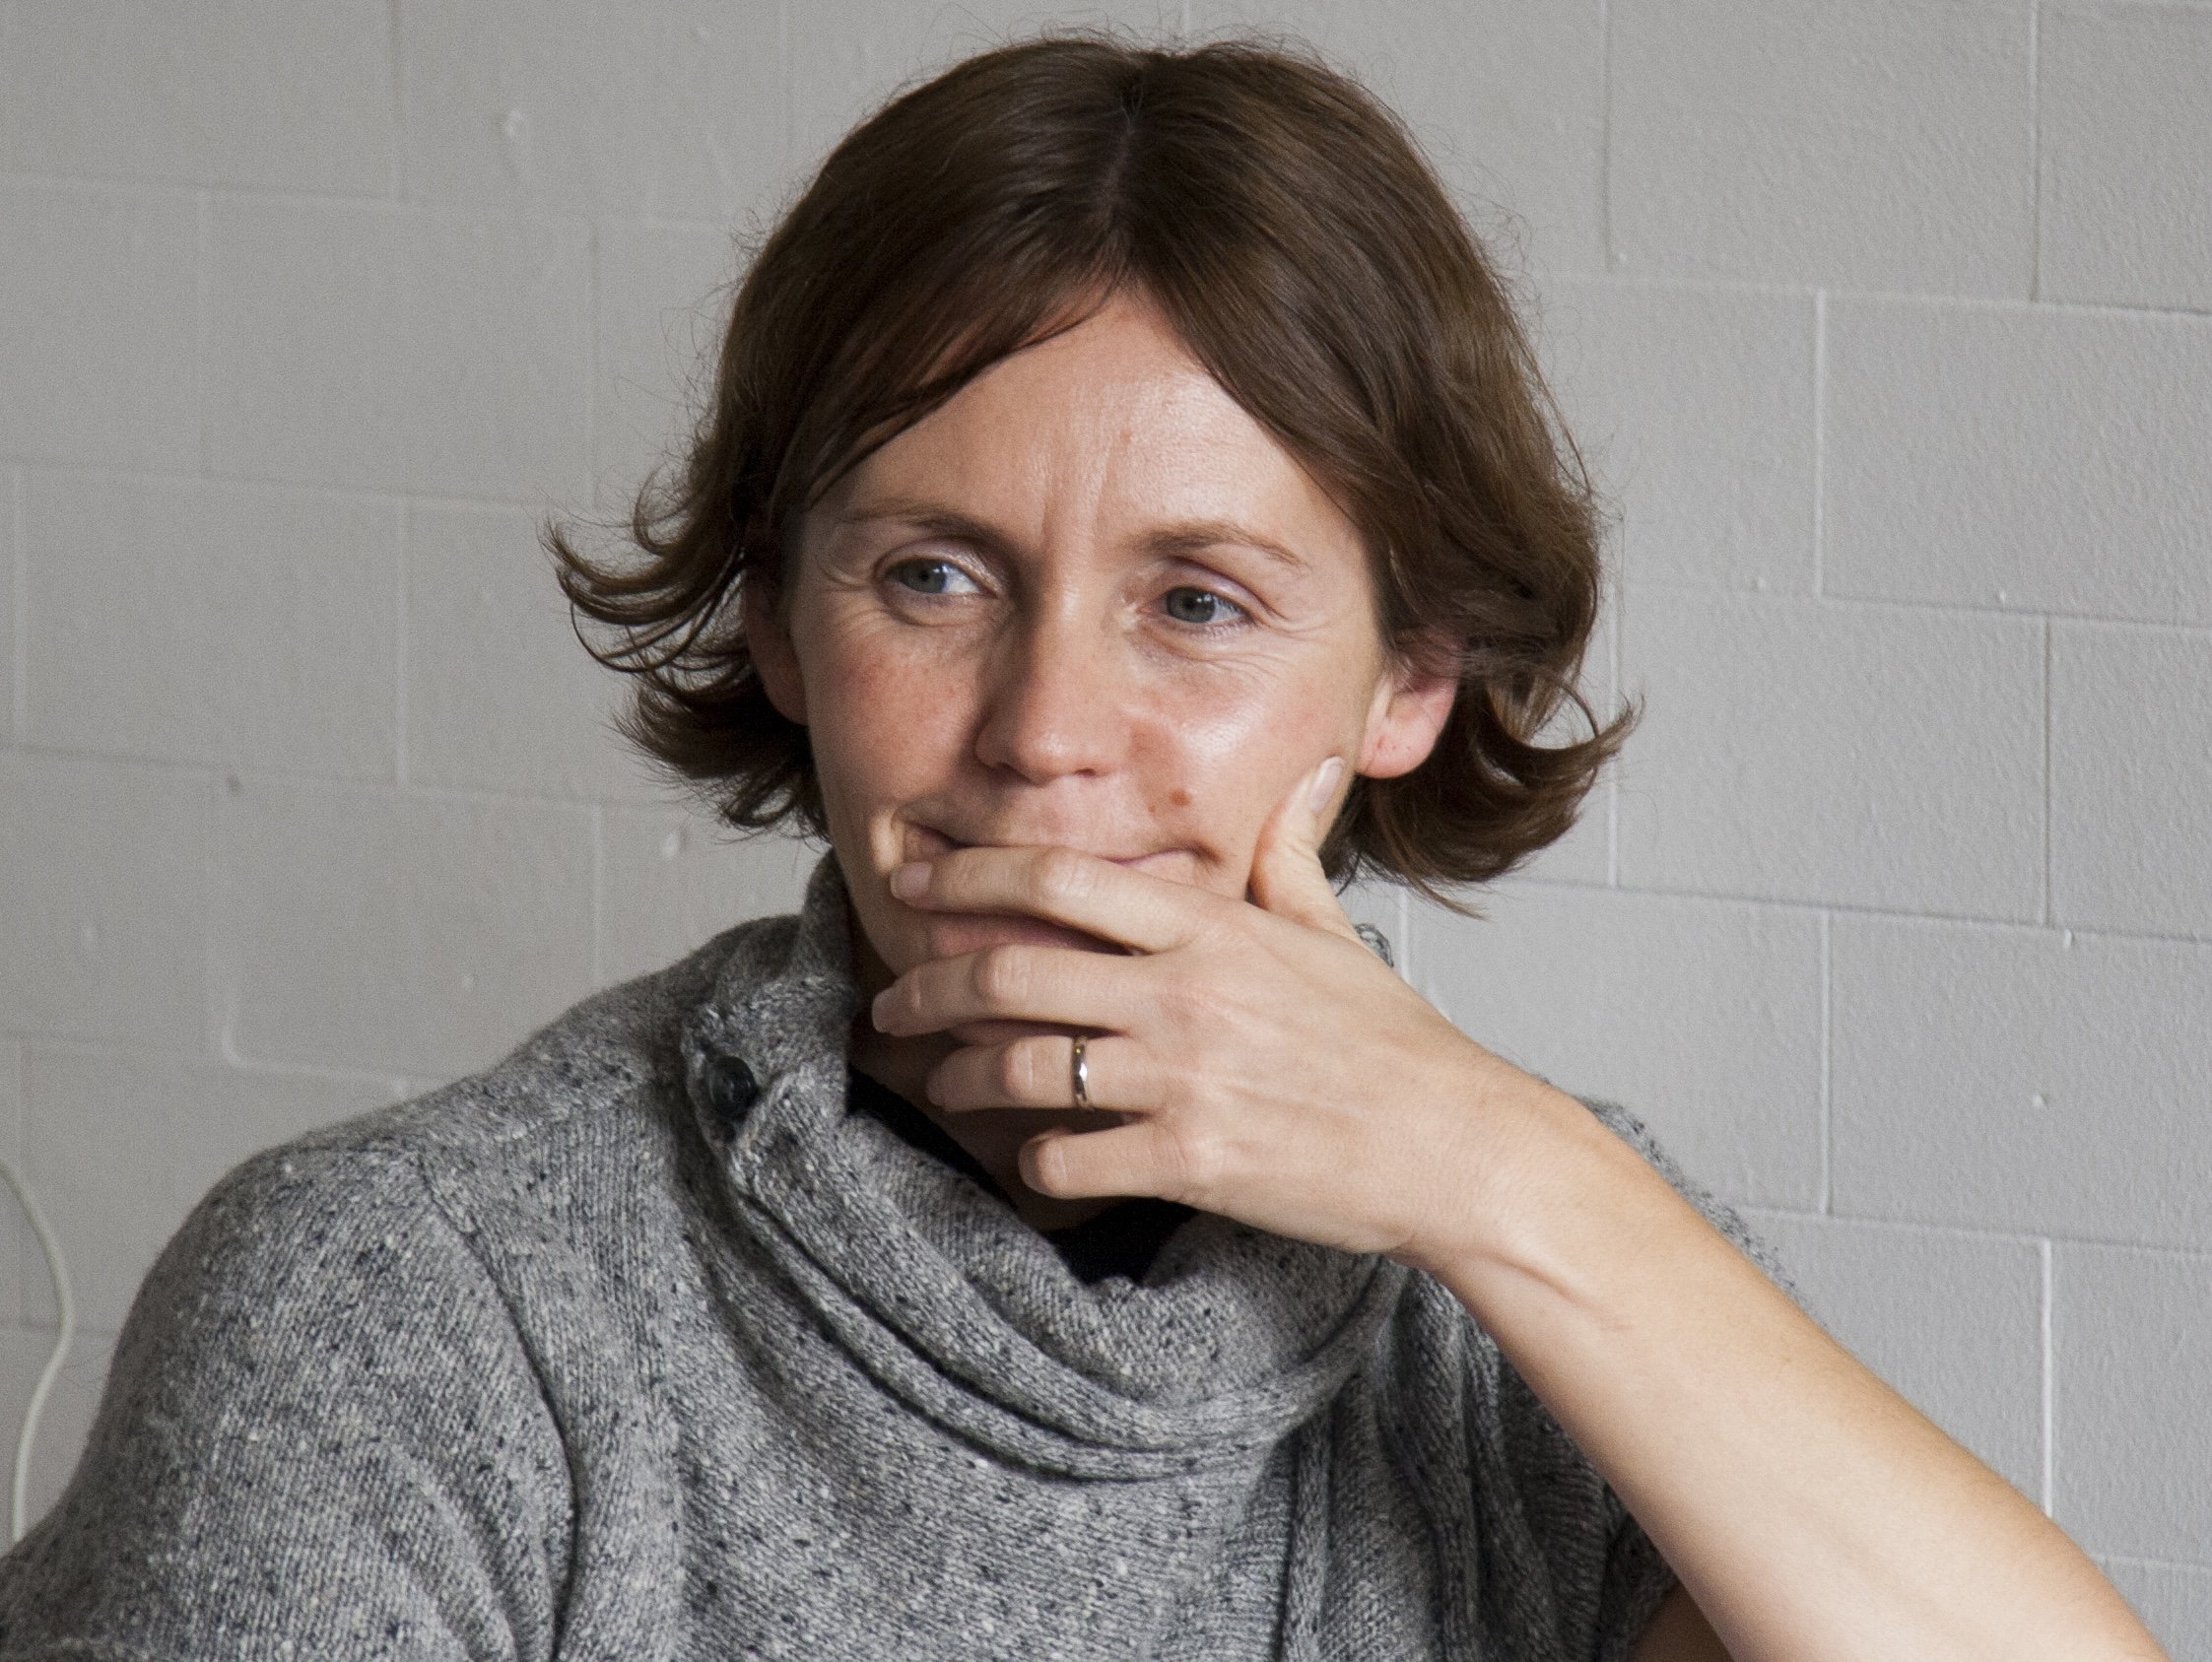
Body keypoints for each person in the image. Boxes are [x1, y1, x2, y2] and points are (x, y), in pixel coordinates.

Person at [0, 33, 2165, 1662]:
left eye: (1197, 603)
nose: (1045, 736)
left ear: (1405, 682)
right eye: (931, 577)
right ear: (773, 611)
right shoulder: (404, 1309)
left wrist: (1507, 1178)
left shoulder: (1539, 1279)